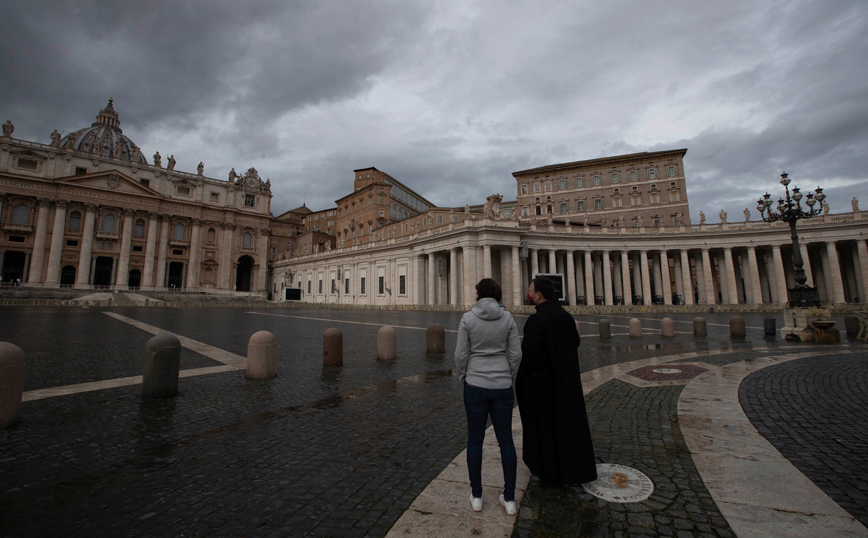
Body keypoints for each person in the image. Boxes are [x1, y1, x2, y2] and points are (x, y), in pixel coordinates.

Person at [516, 276, 597, 485]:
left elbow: (529, 355)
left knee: (543, 427)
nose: (529, 293)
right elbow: (575, 343)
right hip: (565, 381)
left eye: (531, 289)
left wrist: (522, 377)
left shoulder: (537, 320)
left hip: (541, 384)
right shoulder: (566, 317)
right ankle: (570, 467)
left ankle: (546, 469)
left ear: (538, 295)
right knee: (565, 425)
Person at [454, 278, 522, 515]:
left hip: (475, 383)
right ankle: (510, 498)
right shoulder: (508, 317)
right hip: (503, 385)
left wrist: (464, 376)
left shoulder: (468, 318)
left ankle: (477, 495)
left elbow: (461, 354)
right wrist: (508, 375)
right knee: (506, 441)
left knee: (475, 440)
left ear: (478, 294)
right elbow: (516, 353)